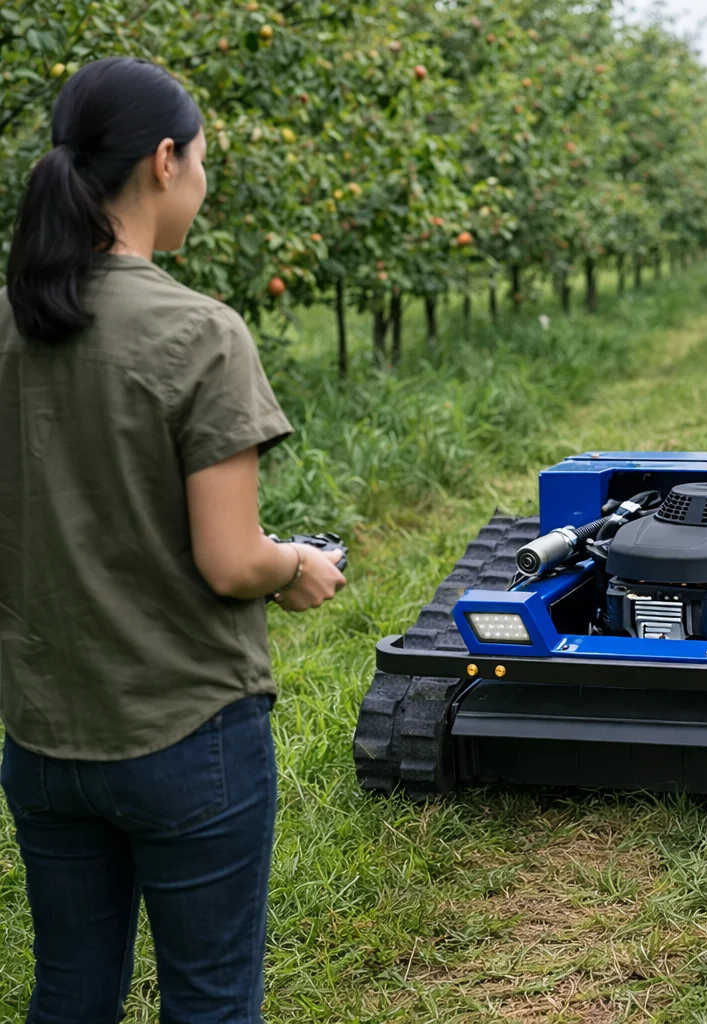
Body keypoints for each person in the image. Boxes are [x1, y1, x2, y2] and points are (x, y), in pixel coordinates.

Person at [0, 57, 346, 1023]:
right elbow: (231, 560)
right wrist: (296, 566)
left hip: (43, 734)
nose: (201, 182)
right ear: (164, 162)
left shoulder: (9, 327)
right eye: (201, 162)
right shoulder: (199, 333)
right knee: (209, 1001)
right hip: (185, 731)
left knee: (68, 990)